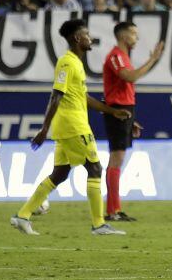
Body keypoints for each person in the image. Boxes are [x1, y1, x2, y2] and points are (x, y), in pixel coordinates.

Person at [11, 19, 130, 236]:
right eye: (86, 34)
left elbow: (82, 97)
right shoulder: (67, 62)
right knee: (94, 168)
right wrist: (44, 130)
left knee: (60, 173)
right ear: (77, 38)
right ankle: (99, 224)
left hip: (69, 126)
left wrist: (112, 111)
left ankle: (22, 215)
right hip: (73, 125)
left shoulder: (76, 62)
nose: (90, 37)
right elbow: (56, 95)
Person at [102, 22, 164, 222]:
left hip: (125, 111)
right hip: (118, 111)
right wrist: (153, 59)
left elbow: (123, 88)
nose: (136, 38)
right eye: (134, 34)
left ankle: (115, 209)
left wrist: (132, 118)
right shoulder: (116, 56)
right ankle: (112, 211)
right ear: (124, 36)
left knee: (117, 160)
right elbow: (130, 77)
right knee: (116, 160)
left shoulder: (123, 57)